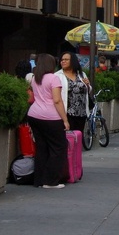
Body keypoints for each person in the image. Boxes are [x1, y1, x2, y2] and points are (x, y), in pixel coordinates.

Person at [27, 53, 69, 189]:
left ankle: (39, 180)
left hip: (34, 114)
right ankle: (50, 181)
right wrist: (65, 120)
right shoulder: (54, 78)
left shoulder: (35, 78)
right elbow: (57, 100)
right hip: (51, 117)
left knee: (41, 148)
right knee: (59, 148)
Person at [55, 51, 91, 133]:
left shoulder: (81, 74)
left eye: (66, 59)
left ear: (73, 61)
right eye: (62, 60)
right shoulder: (57, 76)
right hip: (67, 113)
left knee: (78, 137)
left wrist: (88, 85)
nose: (63, 61)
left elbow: (87, 91)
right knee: (67, 137)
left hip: (82, 113)